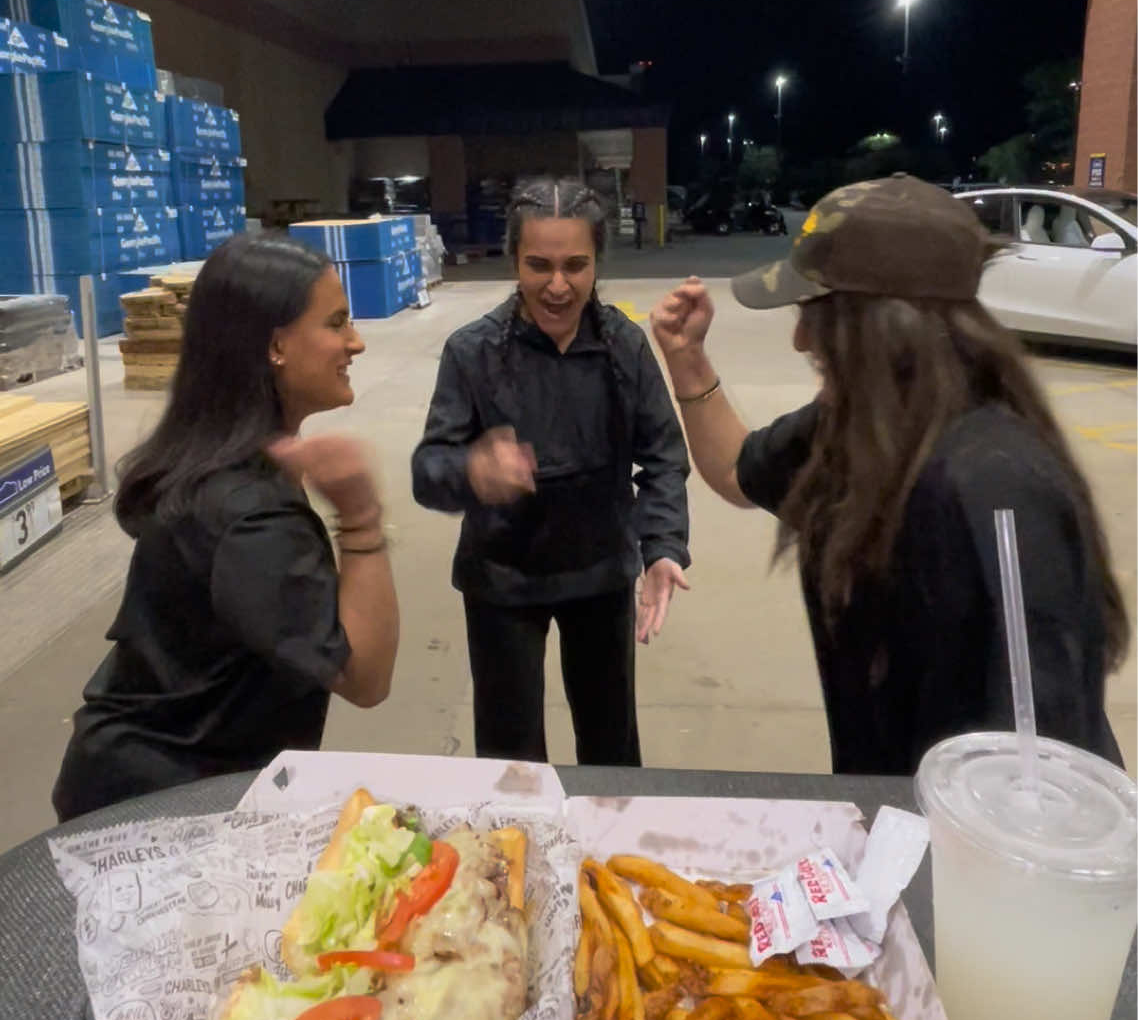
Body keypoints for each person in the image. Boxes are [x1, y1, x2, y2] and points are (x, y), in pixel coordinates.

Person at [650, 174, 1128, 776]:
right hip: (891, 818)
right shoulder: (855, 424)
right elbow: (734, 470)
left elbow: (1050, 769)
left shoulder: (998, 484)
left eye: (815, 314)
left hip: (971, 844)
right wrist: (688, 362)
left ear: (883, 324)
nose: (800, 338)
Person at [53, 235, 399, 820]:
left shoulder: (224, 458)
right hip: (159, 804)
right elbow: (365, 677)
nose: (356, 341)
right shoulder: (249, 512)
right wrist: (361, 519)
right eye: (336, 323)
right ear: (275, 346)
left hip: (152, 775)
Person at [412, 176, 690, 766]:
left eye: (575, 265)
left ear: (596, 264)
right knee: (510, 756)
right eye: (539, 265)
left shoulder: (624, 346)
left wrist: (663, 545)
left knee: (610, 743)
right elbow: (428, 468)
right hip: (504, 580)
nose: (558, 285)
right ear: (514, 260)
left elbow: (663, 455)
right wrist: (471, 469)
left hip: (600, 574)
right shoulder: (473, 352)